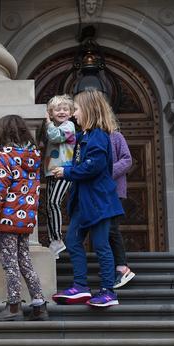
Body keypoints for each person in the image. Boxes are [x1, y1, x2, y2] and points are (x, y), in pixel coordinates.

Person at [51, 88, 124, 308]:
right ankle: (81, 287)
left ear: (90, 110)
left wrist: (67, 172)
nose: (74, 114)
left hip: (99, 202)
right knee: (73, 240)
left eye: (77, 109)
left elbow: (94, 166)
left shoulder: (99, 136)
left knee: (102, 245)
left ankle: (108, 291)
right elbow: (80, 161)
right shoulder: (85, 136)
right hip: (84, 202)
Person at [0, 115, 48, 322]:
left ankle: (13, 306)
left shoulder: (3, 157)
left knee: (9, 262)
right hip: (25, 218)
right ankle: (39, 305)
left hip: (7, 218)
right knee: (25, 261)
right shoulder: (33, 157)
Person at [37, 94, 76, 259]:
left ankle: (58, 239)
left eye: (65, 109)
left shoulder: (69, 126)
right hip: (52, 171)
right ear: (51, 112)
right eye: (57, 109)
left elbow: (55, 136)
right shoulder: (51, 126)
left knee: (54, 202)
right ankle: (55, 240)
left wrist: (47, 122)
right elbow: (43, 142)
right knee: (49, 206)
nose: (62, 111)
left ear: (71, 112)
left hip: (65, 170)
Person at [109, 129, 135, 288]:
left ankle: (122, 267)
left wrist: (105, 173)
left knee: (112, 228)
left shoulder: (116, 136)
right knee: (105, 230)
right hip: (99, 193)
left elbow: (127, 160)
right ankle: (114, 267)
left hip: (115, 191)